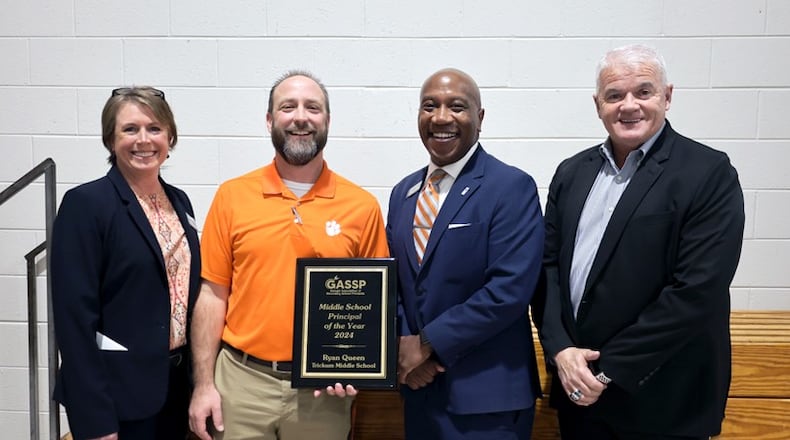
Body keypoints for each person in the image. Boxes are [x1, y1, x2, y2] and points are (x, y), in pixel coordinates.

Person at [538, 44, 745, 439]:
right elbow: (548, 269)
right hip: (578, 394)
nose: (628, 105)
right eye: (614, 95)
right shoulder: (571, 173)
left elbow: (696, 291)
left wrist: (606, 370)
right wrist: (561, 350)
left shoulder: (708, 173)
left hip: (664, 401)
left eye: (643, 92)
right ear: (598, 105)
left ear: (667, 96)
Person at [188, 70, 389, 440]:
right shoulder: (232, 196)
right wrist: (203, 385)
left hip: (321, 394)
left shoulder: (362, 207)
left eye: (313, 107)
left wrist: (355, 367)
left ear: (327, 120)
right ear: (269, 120)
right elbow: (212, 296)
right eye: (288, 107)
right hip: (240, 382)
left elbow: (372, 306)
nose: (300, 116)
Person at [386, 68, 544, 439]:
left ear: (480, 117)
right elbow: (394, 282)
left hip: (487, 399)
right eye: (430, 106)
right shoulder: (403, 193)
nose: (441, 117)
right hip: (419, 393)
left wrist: (427, 346)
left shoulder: (510, 187)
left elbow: (508, 291)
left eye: (457, 107)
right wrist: (404, 344)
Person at [51, 86, 202, 440]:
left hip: (175, 388)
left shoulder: (180, 202)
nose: (144, 140)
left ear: (170, 137)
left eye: (154, 128)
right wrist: (95, 420)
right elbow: (74, 322)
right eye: (129, 129)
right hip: (116, 396)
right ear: (110, 139)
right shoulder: (86, 204)